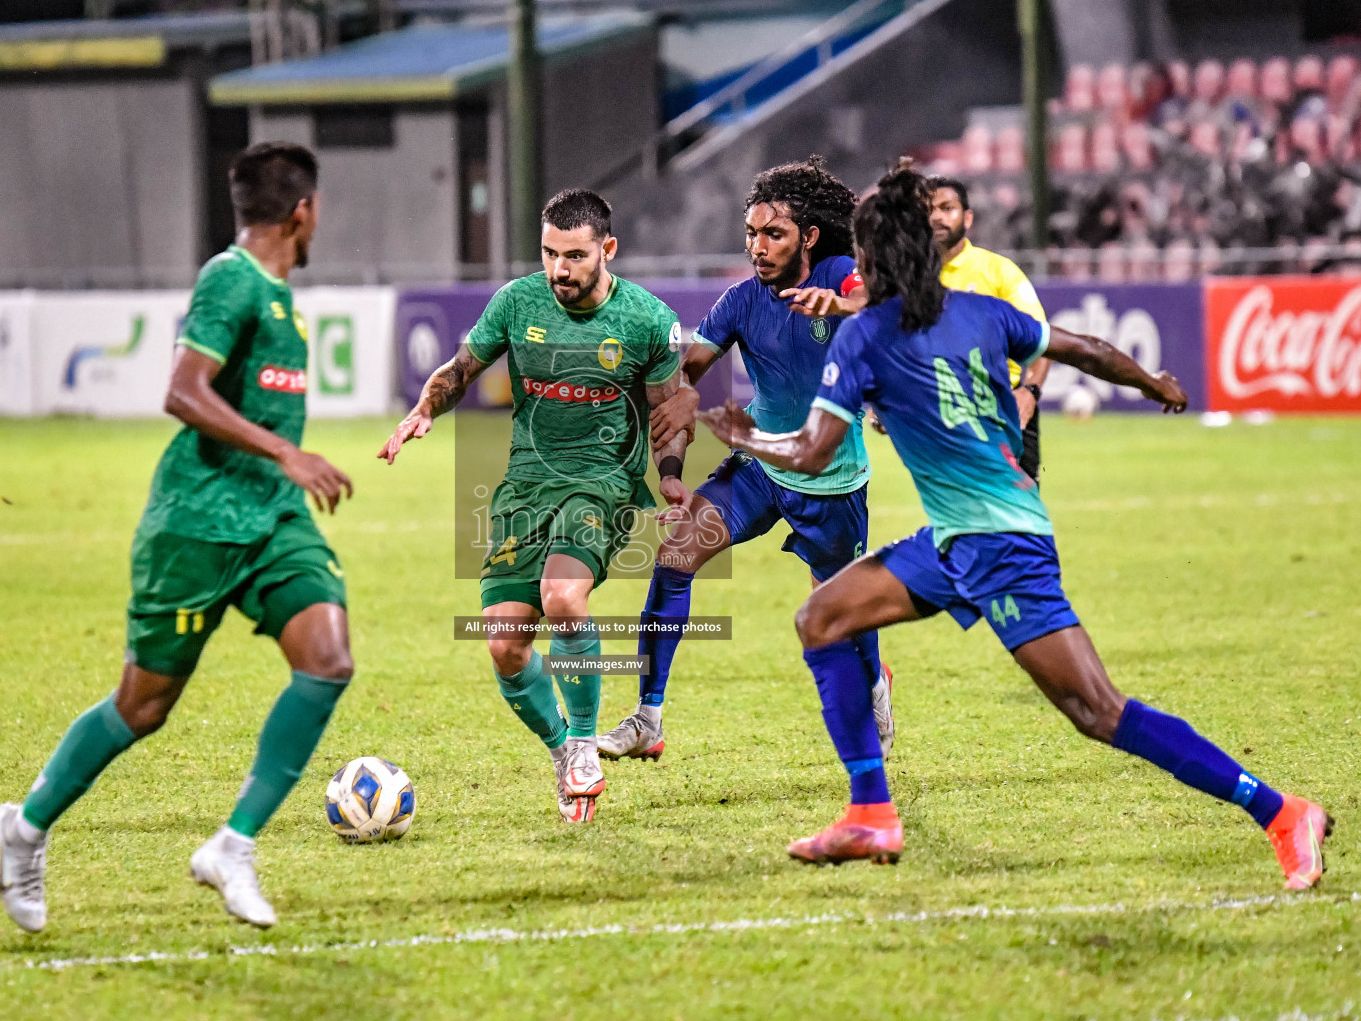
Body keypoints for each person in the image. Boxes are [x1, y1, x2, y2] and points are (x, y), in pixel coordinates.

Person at [698, 165, 1331, 890]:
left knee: (1096, 711)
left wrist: (741, 436)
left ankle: (1282, 812)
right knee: (822, 616)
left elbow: (809, 451)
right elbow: (1086, 350)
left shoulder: (863, 337)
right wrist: (1155, 382)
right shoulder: (977, 312)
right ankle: (870, 810)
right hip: (955, 540)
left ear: (872, 262)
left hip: (1000, 547)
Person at [0, 142, 359, 932]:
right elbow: (182, 392)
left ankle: (233, 846)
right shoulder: (232, 280)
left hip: (269, 522)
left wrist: (279, 468)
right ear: (303, 211)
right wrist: (287, 450)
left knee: (328, 659)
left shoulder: (281, 295)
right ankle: (23, 829)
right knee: (144, 706)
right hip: (196, 524)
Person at [379, 189, 690, 823]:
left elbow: (668, 412)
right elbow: (462, 368)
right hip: (525, 487)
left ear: (607, 250)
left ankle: (583, 742)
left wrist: (674, 480)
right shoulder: (517, 303)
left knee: (562, 597)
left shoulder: (646, 320)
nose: (559, 270)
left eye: (574, 255)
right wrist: (424, 409)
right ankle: (560, 750)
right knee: (504, 647)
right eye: (549, 253)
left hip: (603, 482)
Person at [597, 156, 896, 784]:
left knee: (842, 609)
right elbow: (686, 375)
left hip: (831, 483)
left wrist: (854, 322)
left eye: (774, 234)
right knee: (676, 553)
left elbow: (875, 295)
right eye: (752, 233)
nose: (758, 248)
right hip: (760, 469)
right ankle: (647, 718)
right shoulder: (740, 300)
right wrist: (677, 401)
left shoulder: (839, 274)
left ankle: (874, 685)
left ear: (809, 237)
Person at [928, 176, 1050, 482]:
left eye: (947, 207)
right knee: (958, 519)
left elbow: (1043, 338)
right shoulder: (909, 280)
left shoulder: (998, 271)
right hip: (941, 418)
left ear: (968, 217)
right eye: (929, 209)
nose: (937, 217)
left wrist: (1030, 390)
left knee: (1018, 520)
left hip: (1002, 412)